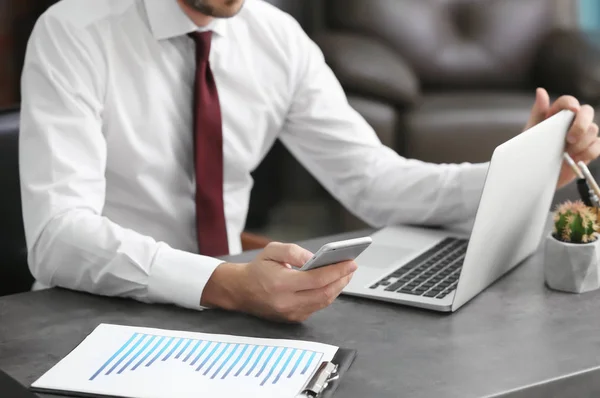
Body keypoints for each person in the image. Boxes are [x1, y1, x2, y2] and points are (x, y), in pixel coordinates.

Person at [19, 0, 600, 323]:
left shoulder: (277, 39)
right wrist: (225, 283)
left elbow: (377, 182)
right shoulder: (74, 30)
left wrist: (532, 169)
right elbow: (57, 236)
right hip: (95, 310)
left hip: (233, 313)